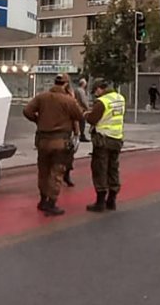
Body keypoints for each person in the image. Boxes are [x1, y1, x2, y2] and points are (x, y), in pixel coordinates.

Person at [23, 74, 83, 216]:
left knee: (43, 171)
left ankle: (42, 200)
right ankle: (51, 203)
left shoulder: (42, 97)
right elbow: (79, 115)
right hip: (60, 142)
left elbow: (27, 111)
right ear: (66, 84)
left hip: (43, 141)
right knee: (56, 173)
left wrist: (38, 121)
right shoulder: (68, 100)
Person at [85, 80, 126, 213]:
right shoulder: (120, 98)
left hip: (103, 140)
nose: (95, 95)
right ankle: (112, 199)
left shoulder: (102, 102)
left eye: (95, 91)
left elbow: (92, 119)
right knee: (113, 168)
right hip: (117, 138)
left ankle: (100, 202)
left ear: (99, 89)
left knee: (100, 169)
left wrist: (86, 114)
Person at [63, 78, 88, 187]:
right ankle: (65, 175)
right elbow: (76, 116)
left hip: (52, 133)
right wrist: (77, 132)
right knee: (68, 155)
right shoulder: (70, 98)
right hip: (66, 132)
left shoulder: (46, 97)